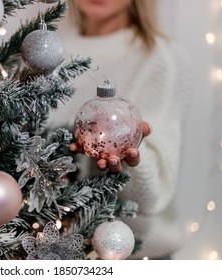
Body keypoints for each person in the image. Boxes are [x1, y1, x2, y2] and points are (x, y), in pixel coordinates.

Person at [47, 0, 192, 259]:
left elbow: (153, 196)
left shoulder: (164, 60)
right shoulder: (42, 49)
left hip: (134, 254)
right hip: (47, 249)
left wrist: (130, 154)